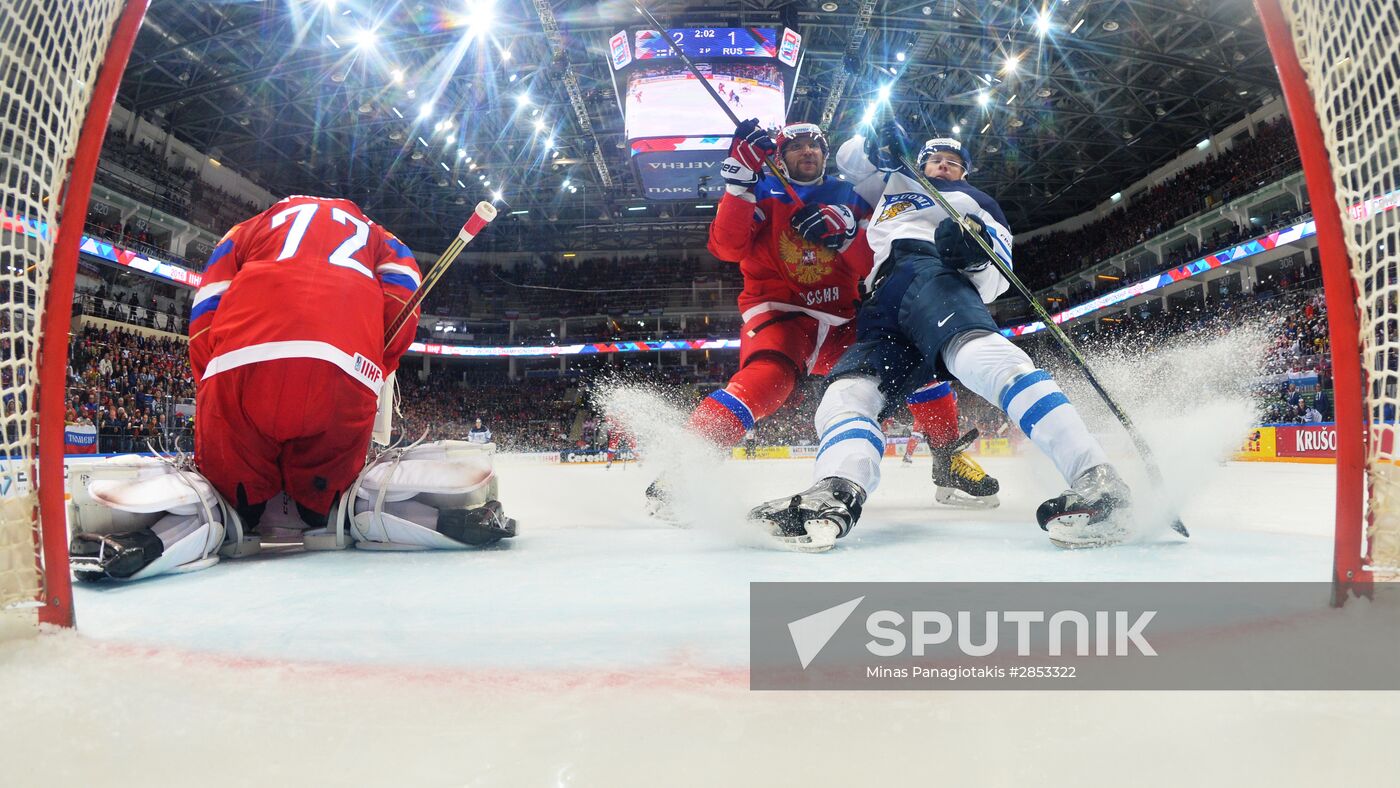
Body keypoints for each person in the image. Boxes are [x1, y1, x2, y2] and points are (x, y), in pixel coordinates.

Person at [749, 123, 1129, 552]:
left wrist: (973, 255)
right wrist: (876, 143)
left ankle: (1097, 479)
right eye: (935, 159)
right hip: (881, 297)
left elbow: (997, 279)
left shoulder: (977, 202)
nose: (943, 166)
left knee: (984, 359)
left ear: (964, 172)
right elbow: (848, 162)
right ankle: (835, 491)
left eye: (954, 162)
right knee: (845, 396)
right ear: (920, 160)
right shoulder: (894, 180)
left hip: (936, 276)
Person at [645, 120, 998, 515]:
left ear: (826, 154)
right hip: (782, 315)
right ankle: (684, 468)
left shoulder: (851, 195)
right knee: (766, 379)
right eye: (796, 145)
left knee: (915, 365)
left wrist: (849, 235)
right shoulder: (761, 191)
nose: (807, 151)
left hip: (845, 319)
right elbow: (727, 248)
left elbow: (875, 262)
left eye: (814, 144)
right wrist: (738, 187)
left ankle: (948, 460)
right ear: (780, 156)